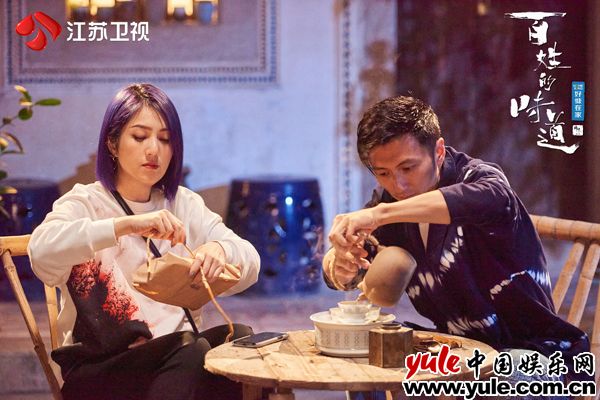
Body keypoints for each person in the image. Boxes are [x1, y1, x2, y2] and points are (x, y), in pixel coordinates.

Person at [323, 96, 591, 392]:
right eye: (383, 173)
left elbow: (492, 197)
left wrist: (379, 214)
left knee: (508, 373)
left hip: (534, 353)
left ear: (438, 152)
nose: (398, 185)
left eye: (408, 168)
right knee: (368, 350)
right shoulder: (390, 204)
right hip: (458, 351)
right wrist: (340, 265)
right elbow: (353, 261)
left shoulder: (479, 180)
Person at [28, 83, 260, 400]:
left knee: (242, 343)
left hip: (176, 360)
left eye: (165, 139)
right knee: (191, 350)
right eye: (139, 137)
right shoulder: (85, 203)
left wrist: (220, 250)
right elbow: (40, 253)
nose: (154, 150)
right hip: (98, 367)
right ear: (112, 143)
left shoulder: (183, 204)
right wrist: (124, 225)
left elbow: (250, 262)